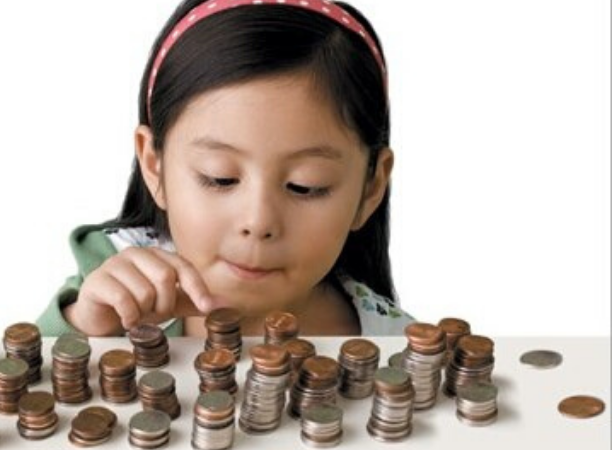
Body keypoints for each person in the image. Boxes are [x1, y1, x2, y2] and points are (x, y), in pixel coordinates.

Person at [37, 0, 416, 338]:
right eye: (219, 177)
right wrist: (81, 331)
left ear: (370, 186)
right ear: (154, 165)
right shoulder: (109, 286)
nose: (258, 221)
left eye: (305, 186)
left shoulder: (402, 347)